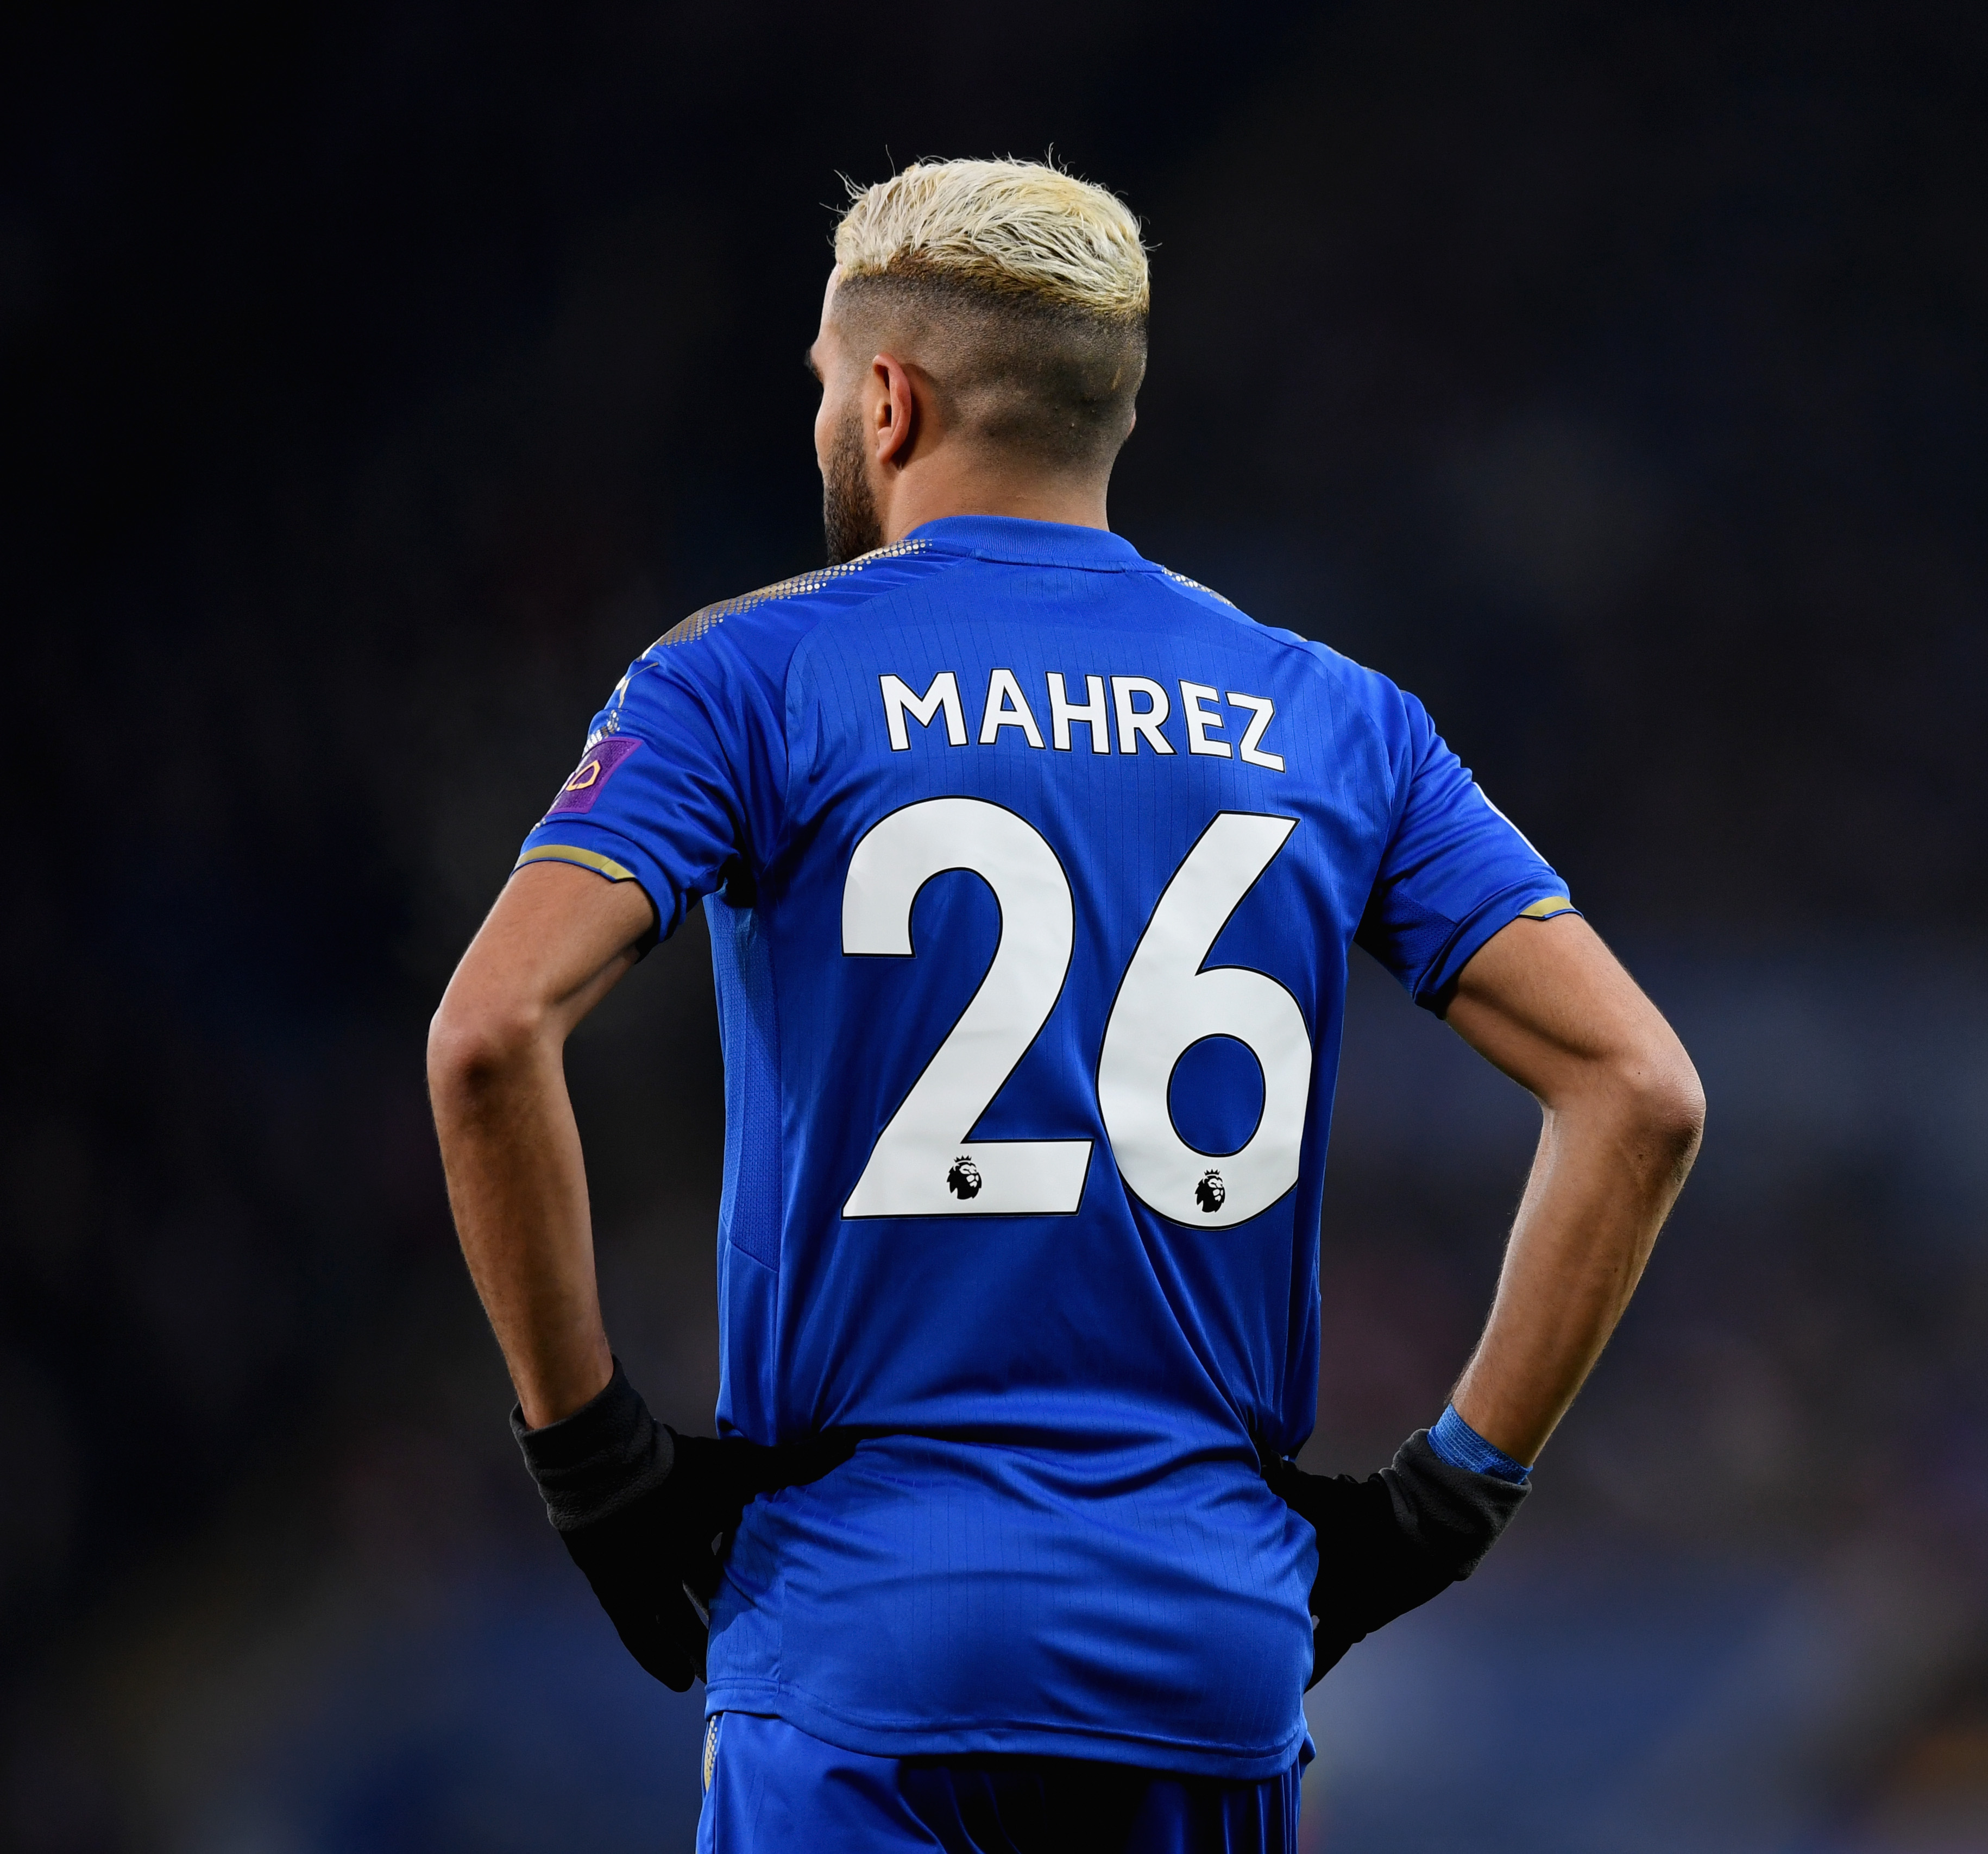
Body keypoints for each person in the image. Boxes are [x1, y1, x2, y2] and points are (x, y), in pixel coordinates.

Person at [426, 156, 1703, 1853]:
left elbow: (489, 1034)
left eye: (822, 384)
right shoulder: (1336, 719)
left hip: (858, 1629)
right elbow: (1640, 1090)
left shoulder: (747, 674)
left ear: (888, 400)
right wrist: (1438, 1508)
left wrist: (595, 1469)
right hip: (1208, 1639)